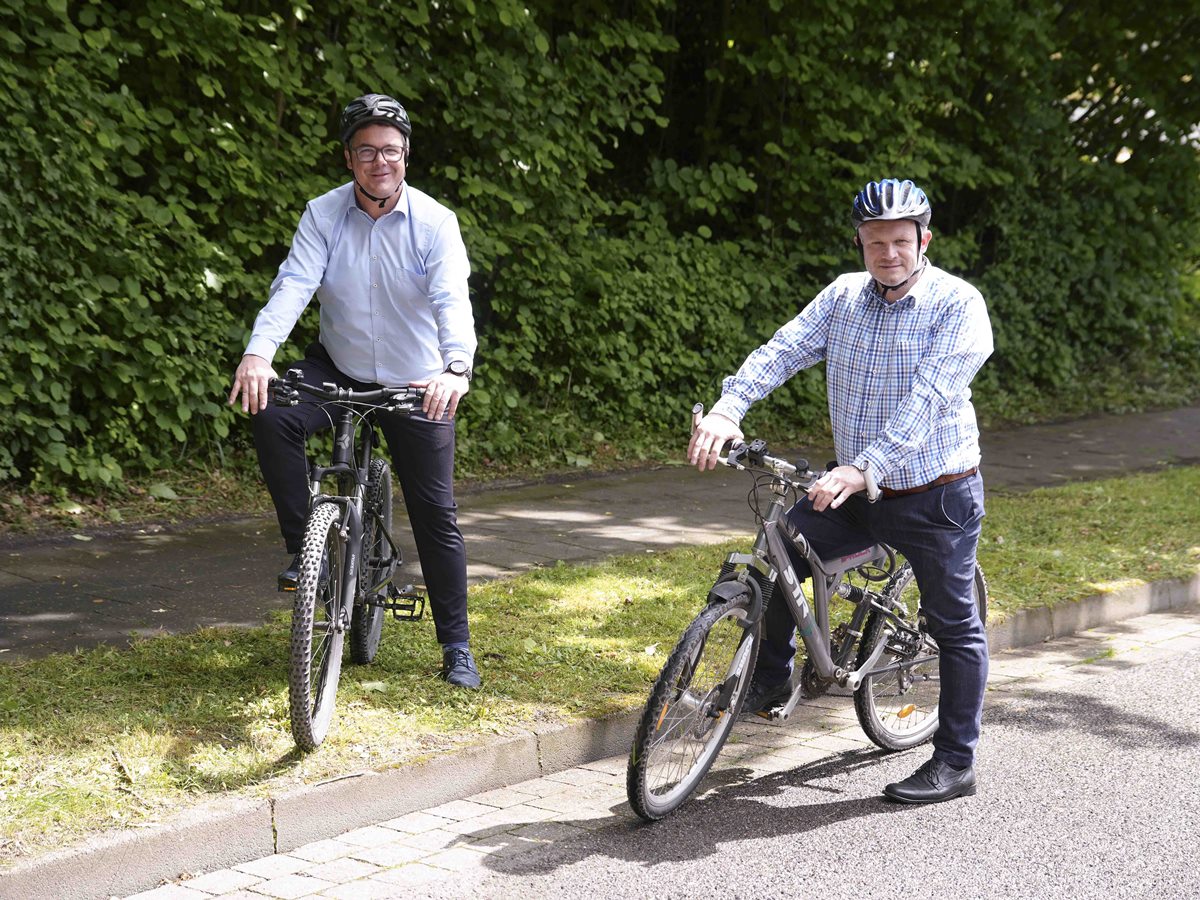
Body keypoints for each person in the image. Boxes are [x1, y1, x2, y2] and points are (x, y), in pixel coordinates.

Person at [687, 178, 993, 804]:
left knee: (954, 625)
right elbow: (784, 349)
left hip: (935, 494)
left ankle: (956, 762)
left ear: (923, 240)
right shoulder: (844, 297)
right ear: (859, 243)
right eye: (875, 242)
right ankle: (770, 682)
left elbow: (929, 400)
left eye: (901, 241)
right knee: (773, 560)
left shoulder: (959, 305)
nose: (889, 254)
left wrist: (866, 465)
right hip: (853, 489)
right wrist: (728, 408)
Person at [228, 93, 481, 689]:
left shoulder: (435, 222)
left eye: (390, 151)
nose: (379, 163)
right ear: (348, 159)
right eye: (366, 152)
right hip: (337, 366)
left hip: (416, 376)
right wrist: (258, 352)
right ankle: (307, 554)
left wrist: (455, 369)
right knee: (272, 415)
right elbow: (293, 285)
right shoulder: (323, 214)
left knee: (434, 512)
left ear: (406, 157)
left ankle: (457, 647)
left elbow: (452, 303)